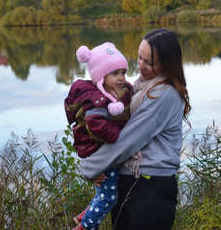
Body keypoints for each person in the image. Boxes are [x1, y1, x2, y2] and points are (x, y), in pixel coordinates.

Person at [79, 29, 191, 230]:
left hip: (151, 189)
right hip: (132, 183)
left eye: (149, 62)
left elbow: (127, 141)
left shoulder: (163, 94)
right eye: (139, 58)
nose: (140, 65)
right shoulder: (138, 89)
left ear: (167, 63)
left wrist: (89, 167)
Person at [64, 42, 133, 230]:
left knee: (105, 190)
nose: (120, 78)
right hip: (100, 152)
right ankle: (85, 227)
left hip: (104, 151)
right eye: (114, 73)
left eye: (122, 72)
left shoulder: (115, 92)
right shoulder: (97, 100)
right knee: (110, 196)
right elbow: (96, 124)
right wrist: (117, 136)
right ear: (101, 76)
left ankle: (85, 215)